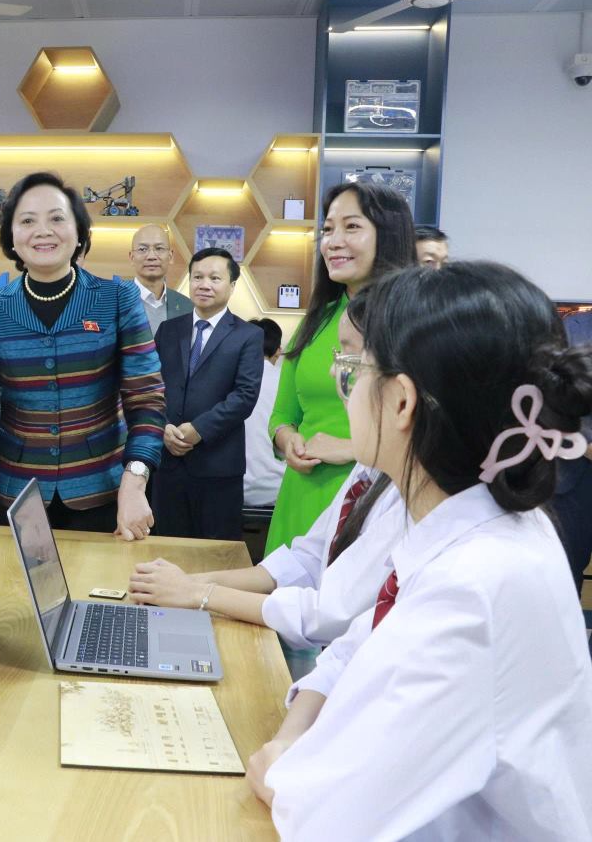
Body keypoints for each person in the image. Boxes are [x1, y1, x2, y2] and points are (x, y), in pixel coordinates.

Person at [247, 261, 592, 838]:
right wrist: (291, 746)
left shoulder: (476, 583)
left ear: (402, 402)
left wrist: (285, 769)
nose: (346, 385)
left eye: (356, 367)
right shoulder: (462, 527)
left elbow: (330, 816)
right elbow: (356, 648)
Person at [130, 295, 406, 658]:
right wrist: (191, 582)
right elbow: (306, 560)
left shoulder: (415, 498)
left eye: (350, 360)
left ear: (404, 390)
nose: (333, 374)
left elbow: (325, 614)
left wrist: (200, 594)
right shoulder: (372, 469)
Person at [0, 171, 165, 538]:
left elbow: (146, 398)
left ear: (79, 232)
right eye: (27, 221)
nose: (43, 230)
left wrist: (134, 484)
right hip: (15, 494)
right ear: (10, 237)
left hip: (104, 494)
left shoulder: (117, 300)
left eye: (57, 218)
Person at [264, 182, 415, 555]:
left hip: (376, 498)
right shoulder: (316, 320)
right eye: (328, 229)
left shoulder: (415, 322)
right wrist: (288, 440)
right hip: (301, 493)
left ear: (389, 235)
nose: (333, 241)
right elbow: (283, 414)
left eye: (351, 227)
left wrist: (351, 448)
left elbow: (435, 428)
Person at [151, 248, 262, 540]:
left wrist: (198, 430)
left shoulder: (248, 335)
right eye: (197, 276)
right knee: (167, 546)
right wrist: (163, 428)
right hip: (168, 463)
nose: (204, 284)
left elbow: (245, 396)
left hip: (218, 467)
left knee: (216, 551)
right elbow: (152, 387)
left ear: (232, 285)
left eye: (215, 278)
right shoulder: (168, 330)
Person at [552, 307, 592, 586]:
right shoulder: (573, 330)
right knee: (565, 574)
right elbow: (545, 400)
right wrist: (586, 444)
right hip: (574, 478)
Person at [243, 317, 286, 509]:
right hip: (277, 488)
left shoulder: (225, 380)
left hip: (230, 487)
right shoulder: (285, 383)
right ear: (278, 351)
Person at [128, 223, 192, 335]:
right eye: (143, 249)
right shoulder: (113, 301)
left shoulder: (187, 306)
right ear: (132, 257)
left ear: (170, 256)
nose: (151, 256)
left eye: (159, 248)